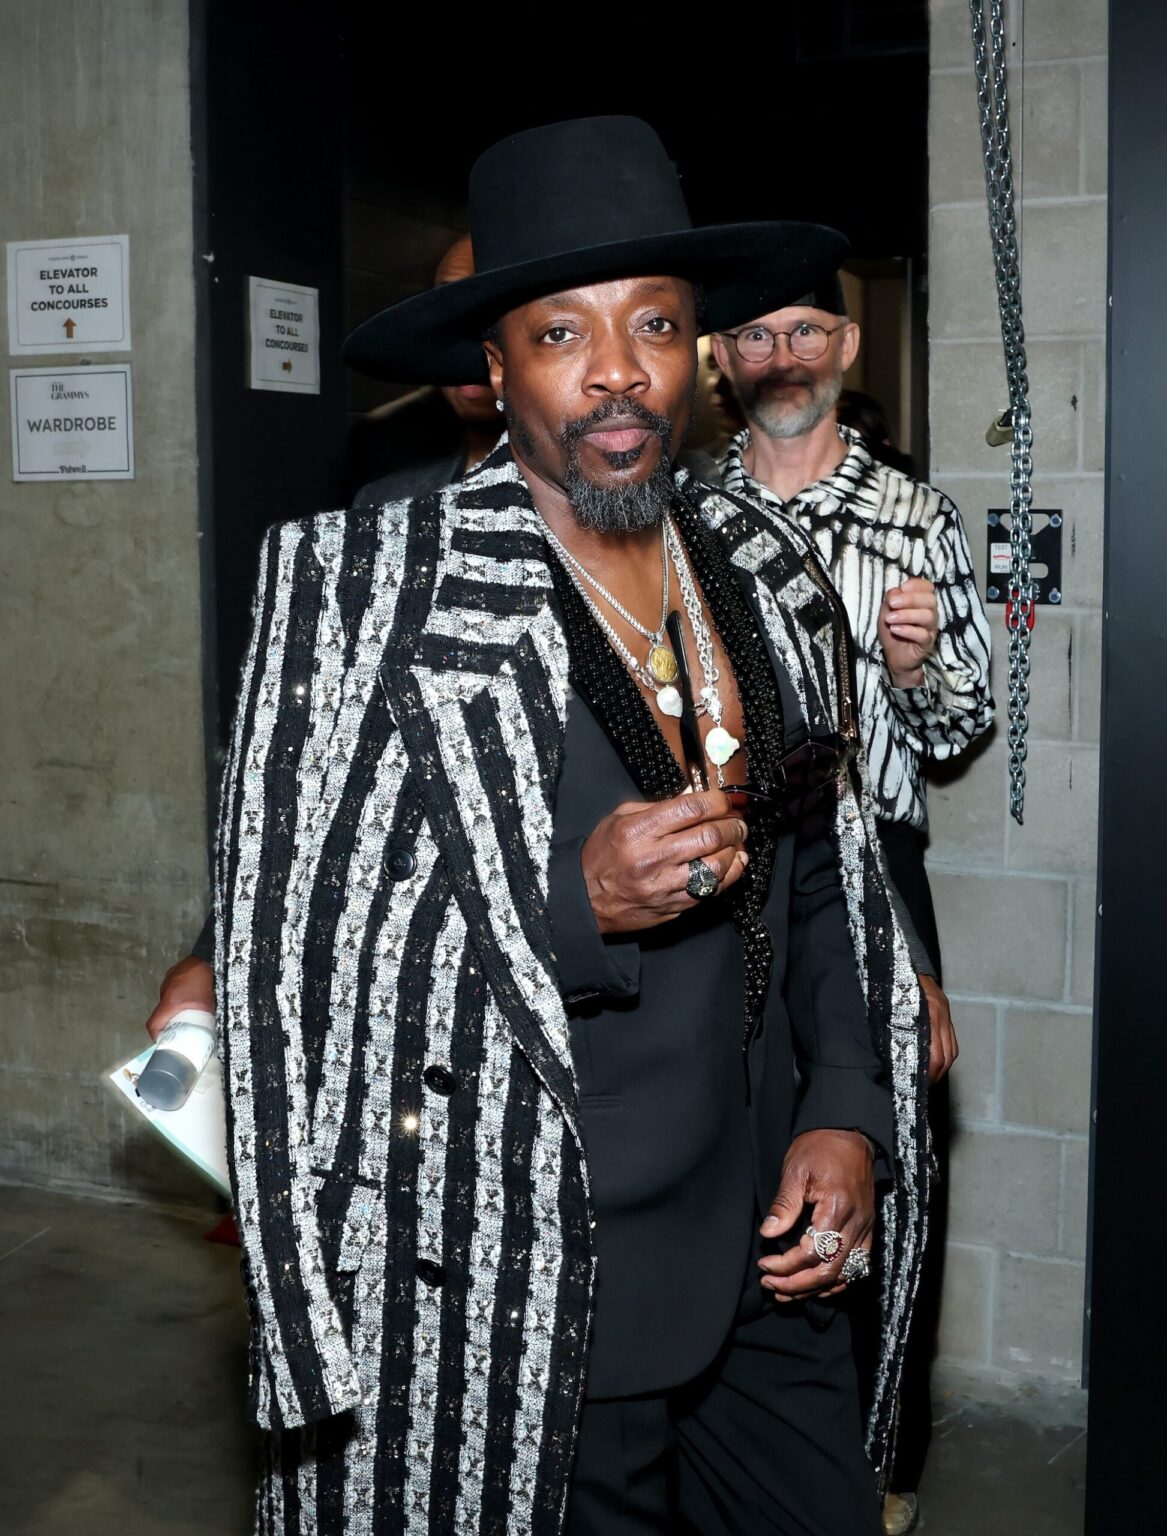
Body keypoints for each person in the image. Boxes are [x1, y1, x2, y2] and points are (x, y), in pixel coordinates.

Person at [193, 117, 933, 1535]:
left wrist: (844, 1107)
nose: (614, 371)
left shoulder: (766, 579)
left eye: (653, 323)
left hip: (769, 1256)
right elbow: (291, 964)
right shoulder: (366, 591)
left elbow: (832, 883)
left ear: (700, 352)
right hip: (523, 1277)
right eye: (558, 334)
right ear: (493, 368)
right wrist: (564, 903)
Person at [709, 276, 993, 1534]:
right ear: (723, 355)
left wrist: (920, 669)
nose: (784, 357)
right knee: (728, 1140)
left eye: (807, 333)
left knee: (890, 1157)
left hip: (872, 860)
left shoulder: (913, 514)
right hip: (724, 867)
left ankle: (881, 1459)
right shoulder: (683, 506)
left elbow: (958, 729)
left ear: (849, 346)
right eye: (760, 334)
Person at [145, 237, 500, 1040]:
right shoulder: (381, 504)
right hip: (395, 983)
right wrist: (221, 947)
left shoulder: (652, 526)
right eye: (445, 311)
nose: (466, 341)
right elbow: (311, 761)